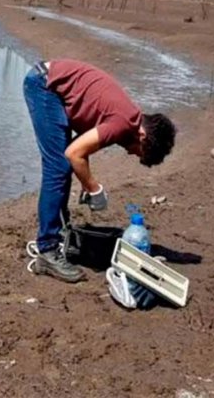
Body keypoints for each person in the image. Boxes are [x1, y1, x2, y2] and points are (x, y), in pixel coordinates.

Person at [23, 59, 176, 283]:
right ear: (143, 136)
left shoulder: (128, 120)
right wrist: (94, 189)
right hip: (45, 85)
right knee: (57, 167)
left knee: (63, 165)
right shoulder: (122, 124)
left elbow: (80, 149)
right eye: (138, 152)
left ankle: (59, 233)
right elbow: (74, 153)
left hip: (50, 83)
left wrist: (87, 183)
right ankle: (47, 250)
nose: (131, 153)